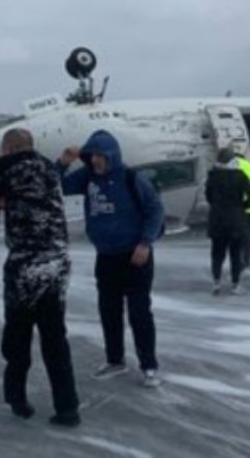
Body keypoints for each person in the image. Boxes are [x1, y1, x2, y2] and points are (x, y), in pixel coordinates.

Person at [0, 128, 81, 427]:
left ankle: (17, 399)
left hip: (25, 267)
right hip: (57, 263)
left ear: (8, 148)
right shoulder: (49, 167)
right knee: (55, 338)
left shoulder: (7, 167)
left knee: (18, 337)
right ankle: (68, 408)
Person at [57, 130, 165, 387]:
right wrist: (63, 162)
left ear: (111, 155)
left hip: (135, 255)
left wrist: (145, 243)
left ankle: (149, 365)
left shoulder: (131, 178)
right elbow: (57, 186)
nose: (94, 160)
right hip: (106, 256)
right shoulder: (87, 177)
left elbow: (155, 209)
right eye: (91, 155)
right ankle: (115, 360)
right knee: (109, 311)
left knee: (139, 311)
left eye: (99, 155)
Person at [206, 148, 250, 295]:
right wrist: (243, 207)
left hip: (217, 219)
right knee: (236, 254)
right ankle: (235, 285)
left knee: (217, 253)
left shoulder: (212, 176)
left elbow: (208, 196)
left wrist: (216, 206)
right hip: (236, 220)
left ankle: (216, 283)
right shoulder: (240, 176)